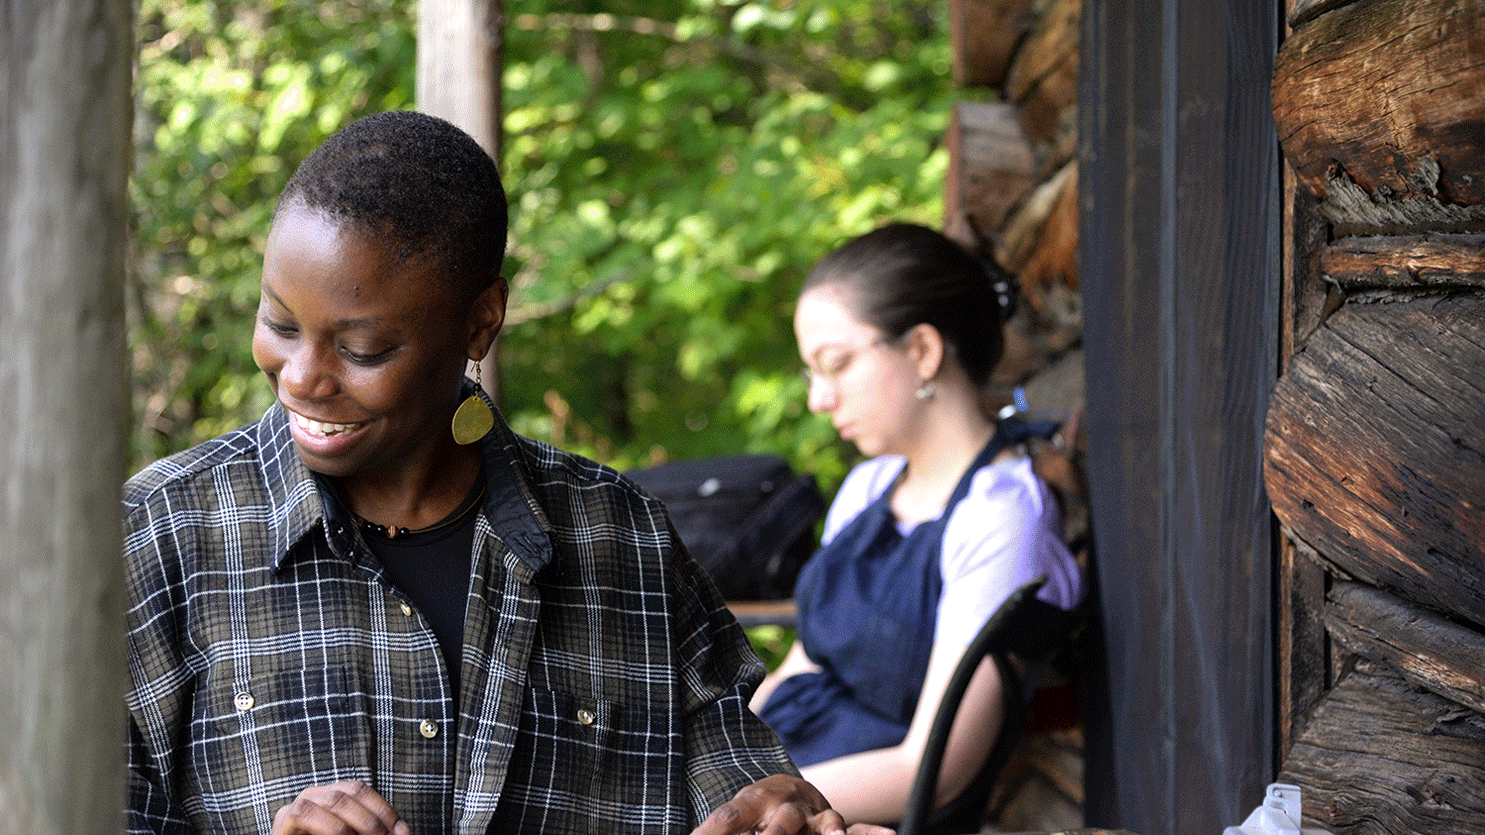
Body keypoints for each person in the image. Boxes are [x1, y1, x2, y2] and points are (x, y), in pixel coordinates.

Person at [123, 110, 892, 835]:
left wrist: (781, 803)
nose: (300, 377)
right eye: (280, 323)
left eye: (361, 350)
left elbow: (737, 778)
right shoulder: (160, 538)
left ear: (480, 321)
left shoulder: (624, 540)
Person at [751, 223, 1085, 826]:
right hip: (774, 781)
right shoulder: (869, 487)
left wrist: (756, 802)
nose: (817, 400)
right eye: (812, 373)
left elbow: (931, 769)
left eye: (837, 364)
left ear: (923, 351)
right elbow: (805, 661)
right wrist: (713, 764)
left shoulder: (1002, 515)